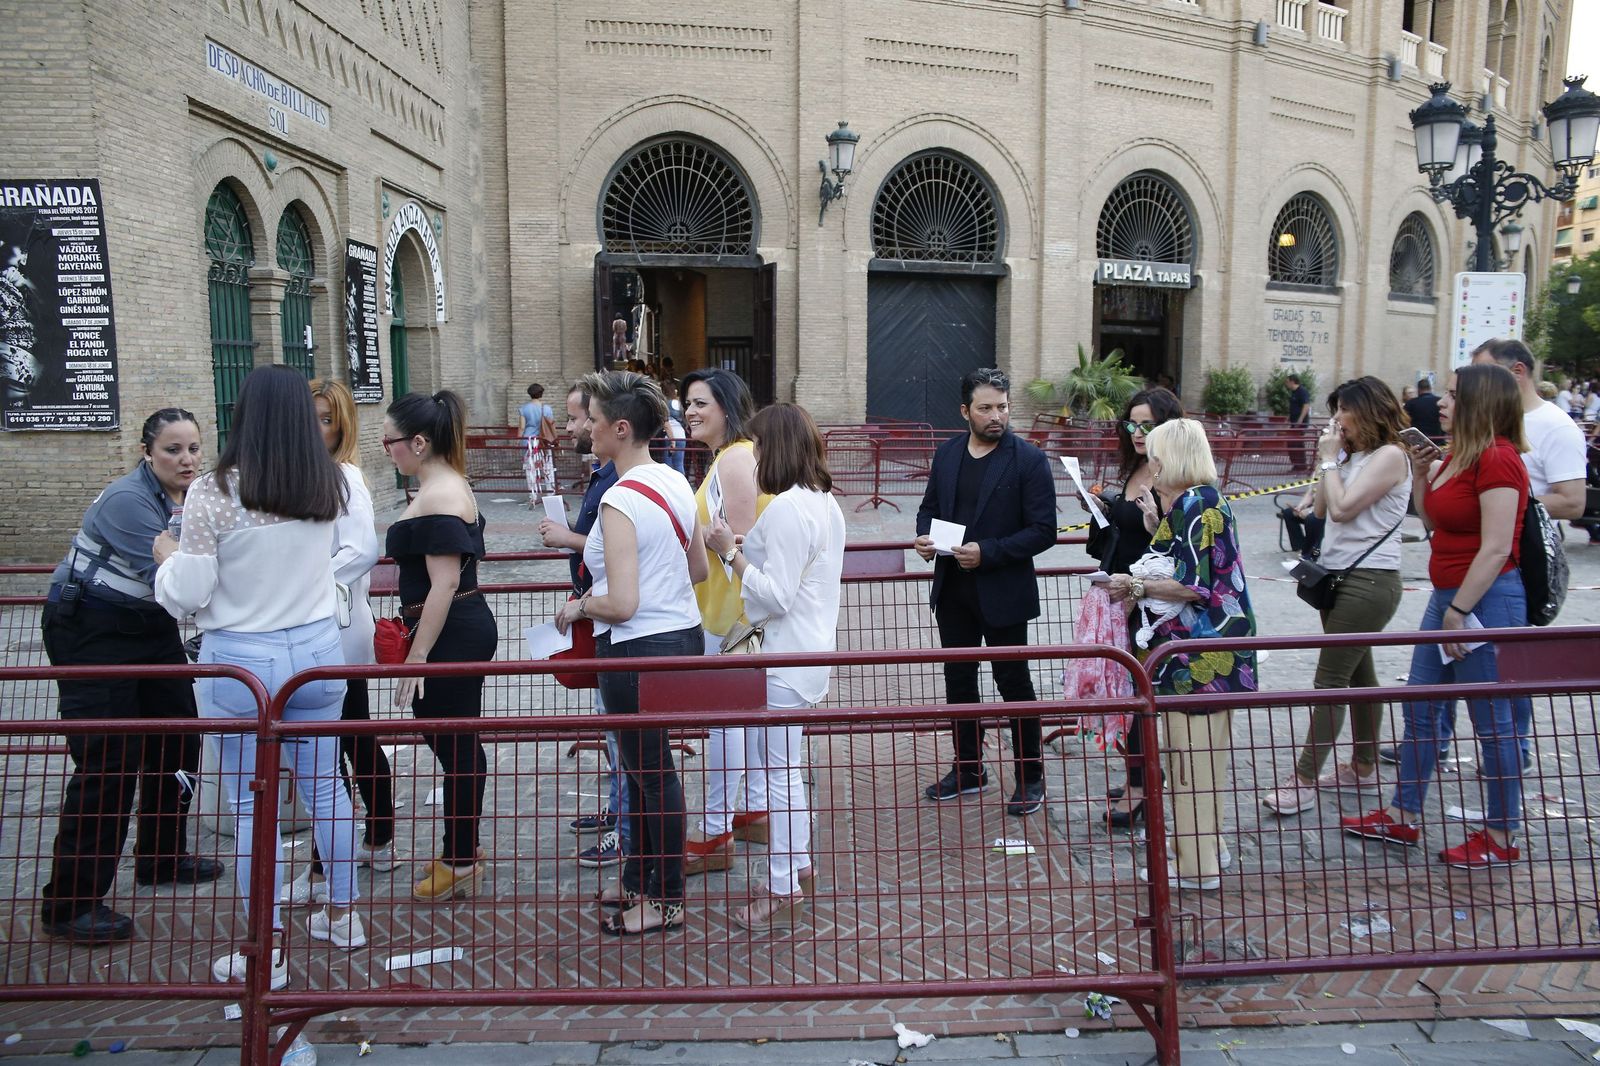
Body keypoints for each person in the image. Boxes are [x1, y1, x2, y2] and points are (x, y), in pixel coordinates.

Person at [154, 365, 364, 988]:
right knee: (326, 787)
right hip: (318, 653)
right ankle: (344, 913)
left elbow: (188, 592)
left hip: (242, 662)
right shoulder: (329, 482)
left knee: (254, 804)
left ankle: (264, 946)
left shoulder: (214, 492)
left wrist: (167, 561)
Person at [37, 408, 221, 944]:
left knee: (177, 740)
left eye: (192, 448)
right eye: (172, 450)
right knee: (108, 759)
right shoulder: (127, 501)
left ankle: (161, 857)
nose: (186, 459)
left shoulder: (197, 494)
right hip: (93, 628)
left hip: (150, 625)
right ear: (147, 453)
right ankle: (70, 903)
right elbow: (175, 569)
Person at [1341, 363, 1529, 869]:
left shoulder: (1499, 460)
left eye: (1452, 395)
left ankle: (1500, 833)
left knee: (1493, 723)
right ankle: (1402, 813)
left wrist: (1460, 610)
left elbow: (1495, 549)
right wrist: (1424, 473)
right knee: (1422, 705)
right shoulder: (1459, 457)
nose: (1441, 403)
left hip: (1482, 603)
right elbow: (1430, 521)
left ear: (1480, 403)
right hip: (1450, 599)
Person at [555, 370, 709, 936]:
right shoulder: (674, 482)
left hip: (637, 647)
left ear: (622, 429)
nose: (587, 430)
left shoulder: (620, 498)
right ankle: (641, 881)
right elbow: (695, 569)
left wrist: (578, 608)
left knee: (651, 773)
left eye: (593, 421)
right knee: (650, 772)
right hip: (679, 639)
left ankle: (664, 898)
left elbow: (621, 602)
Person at [704, 403, 846, 931]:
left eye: (760, 448)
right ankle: (798, 865)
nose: (755, 457)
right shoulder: (823, 502)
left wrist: (729, 554)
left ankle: (783, 883)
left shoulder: (788, 507)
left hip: (786, 657)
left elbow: (775, 595)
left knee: (780, 773)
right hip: (807, 653)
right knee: (786, 769)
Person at [1107, 418, 1256, 891]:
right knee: (1203, 761)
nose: (1150, 465)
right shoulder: (1200, 500)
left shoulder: (1196, 503)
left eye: (1155, 455)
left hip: (1197, 660)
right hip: (1211, 654)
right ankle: (1208, 846)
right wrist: (1157, 523)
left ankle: (1197, 866)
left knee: (1189, 762)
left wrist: (1130, 585)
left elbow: (1192, 584)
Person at [1262, 378, 1410, 815]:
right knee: (1360, 678)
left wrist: (1330, 463)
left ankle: (1304, 779)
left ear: (1367, 411)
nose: (1337, 419)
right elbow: (1324, 511)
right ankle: (1363, 767)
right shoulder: (1354, 456)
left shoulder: (1390, 455)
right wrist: (1330, 463)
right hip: (1339, 578)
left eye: (1343, 410)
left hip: (1369, 582)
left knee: (1330, 681)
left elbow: (1344, 509)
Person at [914, 367, 1057, 817]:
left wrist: (989, 552)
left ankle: (1031, 776)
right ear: (965, 411)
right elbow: (930, 508)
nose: (997, 416)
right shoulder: (948, 454)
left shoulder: (1028, 459)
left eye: (1003, 406)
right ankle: (970, 768)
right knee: (959, 682)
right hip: (953, 589)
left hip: (1003, 591)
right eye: (986, 408)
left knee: (1014, 684)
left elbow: (1043, 531)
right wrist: (924, 539)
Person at [383, 390, 499, 901]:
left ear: (419, 442)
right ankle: (461, 848)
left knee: (454, 744)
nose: (387, 449)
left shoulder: (442, 494)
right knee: (452, 740)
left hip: (449, 631)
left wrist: (417, 657)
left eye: (390, 440)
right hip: (451, 629)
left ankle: (460, 855)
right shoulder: (443, 487)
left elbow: (445, 583)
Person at [283, 380, 394, 907]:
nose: (314, 427)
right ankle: (368, 840)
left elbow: (362, 549)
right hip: (306, 626)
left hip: (337, 629)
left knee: (342, 741)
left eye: (325, 418)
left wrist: (304, 580)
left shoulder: (344, 477)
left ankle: (347, 854)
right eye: (306, 416)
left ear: (341, 424)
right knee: (341, 740)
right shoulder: (294, 475)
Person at [1471, 338, 1586, 767]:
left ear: (1516, 372)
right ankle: (1435, 743)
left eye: (1482, 373)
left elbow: (1573, 501)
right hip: (1475, 556)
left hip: (1520, 564)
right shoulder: (1489, 420)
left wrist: (1503, 501)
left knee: (1508, 664)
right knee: (1448, 654)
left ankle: (1512, 754)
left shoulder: (1555, 426)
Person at [679, 367, 772, 876]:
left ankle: (716, 830)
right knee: (742, 720)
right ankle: (754, 809)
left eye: (700, 403)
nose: (690, 412)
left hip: (733, 613)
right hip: (726, 606)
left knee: (726, 723)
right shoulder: (728, 458)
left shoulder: (736, 459)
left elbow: (744, 541)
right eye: (687, 404)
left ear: (727, 408)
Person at [1083, 386, 1184, 828]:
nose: (1139, 432)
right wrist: (1104, 508)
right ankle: (1139, 774)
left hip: (1148, 604)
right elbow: (1122, 533)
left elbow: (1178, 547)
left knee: (1137, 695)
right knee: (1118, 692)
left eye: (1148, 424)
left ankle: (1144, 786)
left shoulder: (1173, 475)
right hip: (1116, 594)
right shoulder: (1136, 468)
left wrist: (1154, 522)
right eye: (1132, 424)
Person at [540, 383, 626, 869]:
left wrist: (566, 541)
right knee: (615, 732)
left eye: (580, 419)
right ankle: (619, 814)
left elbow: (611, 556)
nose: (575, 428)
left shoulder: (622, 484)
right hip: (598, 610)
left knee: (625, 736)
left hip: (612, 619)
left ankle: (628, 832)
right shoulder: (604, 476)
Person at [520, 383, 558, 499]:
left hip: (529, 441)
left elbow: (522, 427)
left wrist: (518, 440)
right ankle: (550, 492)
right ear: (541, 394)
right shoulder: (546, 408)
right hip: (544, 441)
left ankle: (533, 494)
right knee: (547, 466)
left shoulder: (524, 409)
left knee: (530, 468)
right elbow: (551, 424)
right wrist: (555, 437)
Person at [1286, 372, 1313, 471]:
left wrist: (1300, 420)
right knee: (1292, 443)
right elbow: (1294, 407)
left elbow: (1306, 406)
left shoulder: (1302, 391)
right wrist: (1288, 418)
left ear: (1292, 381)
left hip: (1300, 423)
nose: (1286, 384)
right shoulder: (1294, 392)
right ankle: (1297, 465)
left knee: (1297, 444)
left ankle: (1301, 466)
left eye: (1287, 382)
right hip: (1294, 423)